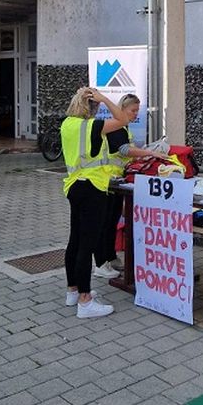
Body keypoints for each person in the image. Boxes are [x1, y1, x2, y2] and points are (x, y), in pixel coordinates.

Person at [61, 86, 131, 318]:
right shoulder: (92, 126)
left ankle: (72, 291)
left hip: (74, 186)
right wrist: (106, 99)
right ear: (93, 107)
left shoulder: (67, 124)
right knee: (86, 245)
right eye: (98, 105)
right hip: (93, 188)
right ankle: (85, 300)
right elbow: (122, 120)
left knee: (75, 241)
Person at [94, 93, 169, 277]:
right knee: (105, 222)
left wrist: (144, 153)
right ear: (122, 109)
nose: (136, 114)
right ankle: (101, 264)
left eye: (137, 110)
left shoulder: (122, 128)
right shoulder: (116, 127)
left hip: (116, 180)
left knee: (112, 221)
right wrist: (149, 153)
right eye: (133, 110)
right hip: (107, 180)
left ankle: (110, 257)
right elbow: (124, 150)